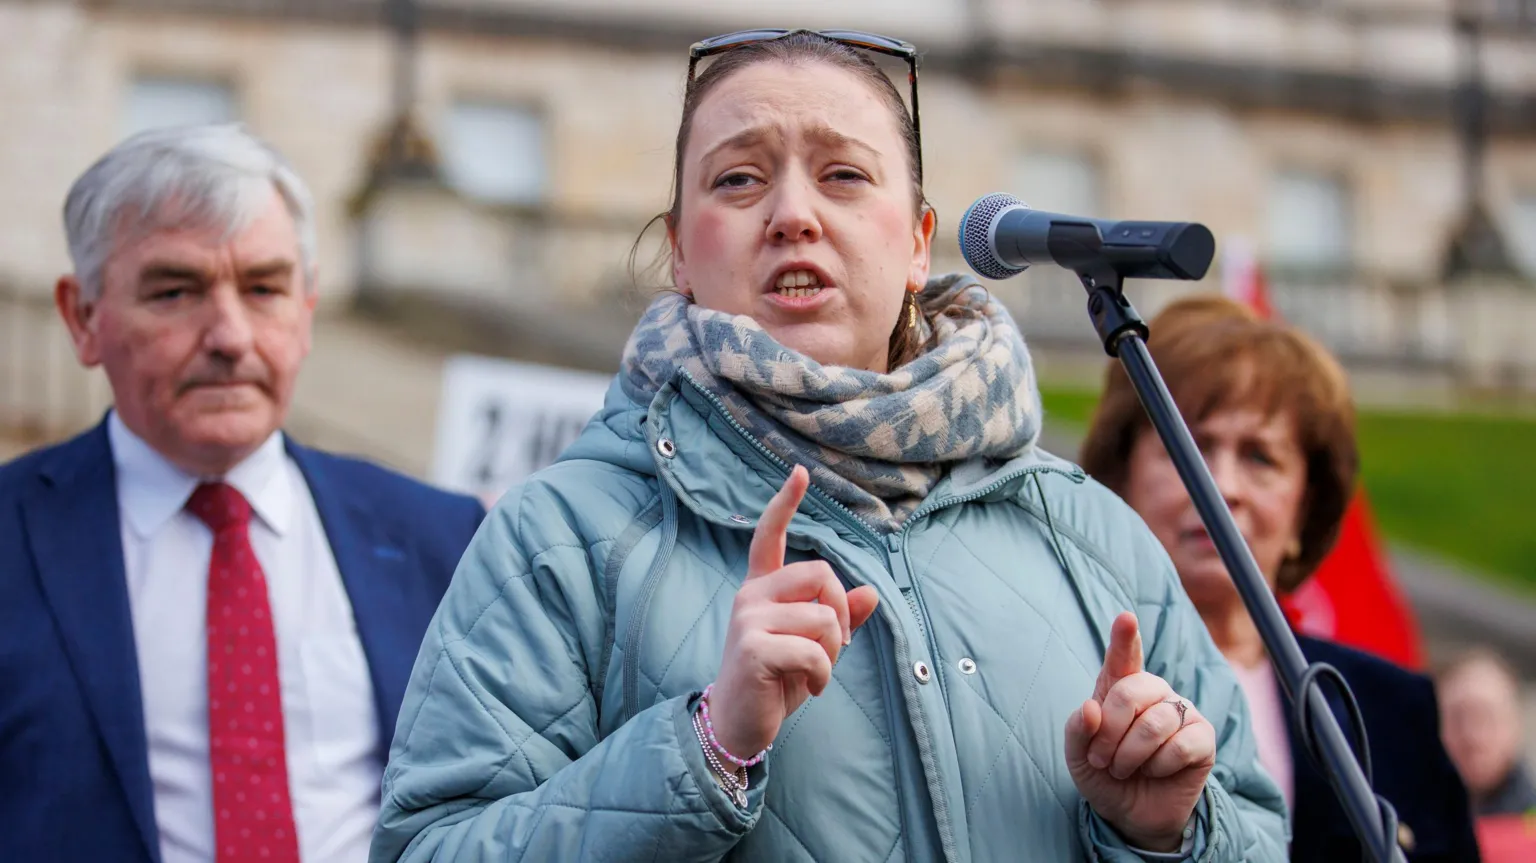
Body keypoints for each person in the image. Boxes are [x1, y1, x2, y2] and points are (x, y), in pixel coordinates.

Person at [371, 30, 1285, 862]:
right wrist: (705, 750)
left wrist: (1167, 832)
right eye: (738, 179)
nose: (792, 214)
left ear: (920, 244)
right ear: (680, 251)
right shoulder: (559, 536)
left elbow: (1257, 829)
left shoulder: (1088, 530)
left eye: (844, 174)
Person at [0, 124, 486, 863]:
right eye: (174, 291)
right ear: (83, 317)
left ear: (307, 305)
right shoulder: (14, 535)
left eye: (263, 288)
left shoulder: (441, 538)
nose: (229, 335)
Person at [1080, 294, 1482, 861]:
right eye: (1188, 447)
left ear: (1304, 509)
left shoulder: (1393, 709)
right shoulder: (1068, 680)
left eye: (1260, 457)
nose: (1222, 486)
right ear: (1122, 476)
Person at [1437, 648, 1536, 817]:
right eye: (1457, 718)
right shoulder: (1401, 819)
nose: (1471, 736)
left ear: (1515, 725)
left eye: (1485, 717)